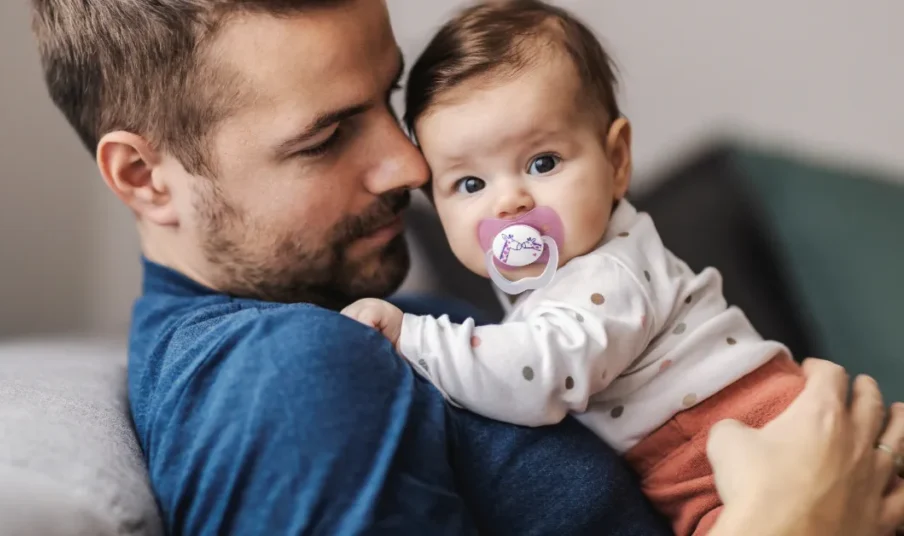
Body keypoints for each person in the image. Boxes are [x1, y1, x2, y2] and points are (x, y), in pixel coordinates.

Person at [27, 0, 904, 534]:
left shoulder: (368, 319)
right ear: (145, 178)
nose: (412, 168)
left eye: (388, 101)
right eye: (328, 135)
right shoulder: (285, 374)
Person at [337, 2, 802, 533]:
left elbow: (538, 374)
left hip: (736, 437)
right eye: (470, 184)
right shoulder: (566, 276)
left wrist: (413, 339)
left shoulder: (609, 275)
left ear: (617, 161)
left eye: (543, 162)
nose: (508, 201)